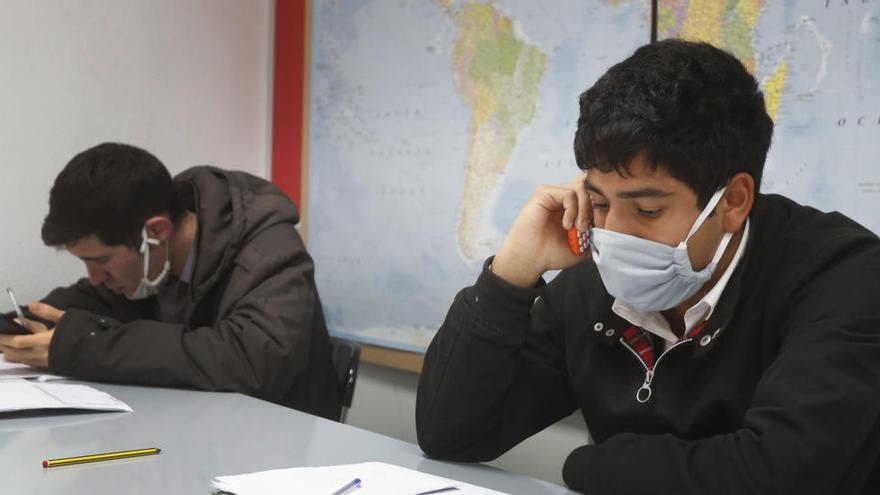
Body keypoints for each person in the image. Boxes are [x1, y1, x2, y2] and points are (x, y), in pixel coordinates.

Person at [415, 39, 880, 494]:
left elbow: (782, 475)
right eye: (598, 203)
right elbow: (450, 434)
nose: (614, 233)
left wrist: (591, 467)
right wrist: (510, 276)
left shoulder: (844, 275)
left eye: (648, 211)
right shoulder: (588, 282)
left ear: (734, 202)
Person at [0, 143, 341, 419]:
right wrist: (16, 325)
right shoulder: (151, 260)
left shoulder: (270, 253)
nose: (95, 277)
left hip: (278, 453)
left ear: (156, 232)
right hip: (194, 433)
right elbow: (95, 299)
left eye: (101, 261)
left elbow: (250, 362)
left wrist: (82, 345)